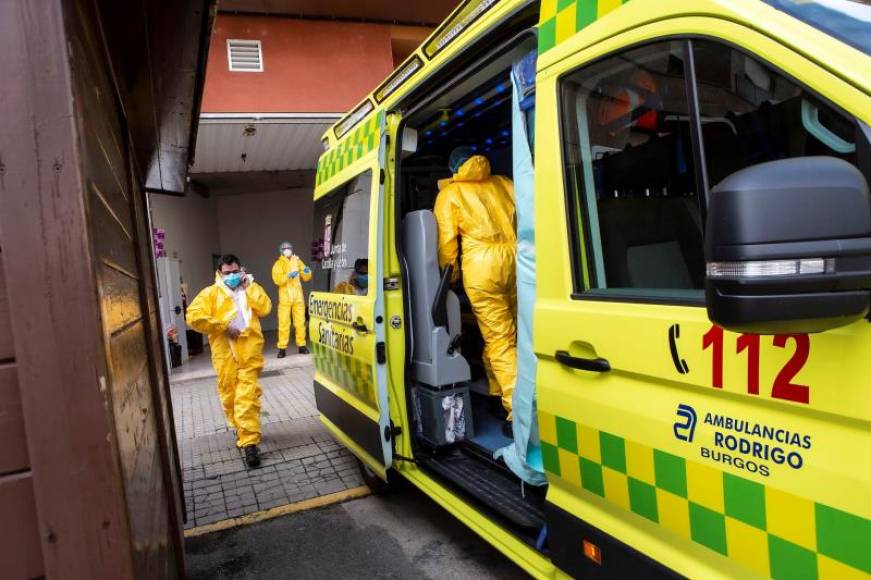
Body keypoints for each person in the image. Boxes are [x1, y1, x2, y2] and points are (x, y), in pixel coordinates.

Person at [434, 147, 517, 422]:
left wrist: (451, 279)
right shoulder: (504, 182)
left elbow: (447, 244)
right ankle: (497, 392)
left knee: (499, 339)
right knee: (517, 333)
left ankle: (518, 413)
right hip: (519, 260)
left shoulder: (450, 194)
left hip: (482, 267)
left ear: (454, 168)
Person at [186, 254, 272, 468]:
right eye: (228, 273)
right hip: (224, 357)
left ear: (241, 270)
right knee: (230, 396)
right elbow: (194, 317)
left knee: (246, 397)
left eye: (235, 271)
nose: (232, 276)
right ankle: (241, 428)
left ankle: (250, 443)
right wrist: (223, 326)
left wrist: (249, 287)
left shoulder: (251, 288)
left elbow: (265, 308)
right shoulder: (211, 294)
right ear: (219, 273)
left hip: (249, 353)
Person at [271, 241, 312, 357]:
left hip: (298, 297)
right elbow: (277, 279)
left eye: (289, 248)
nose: (287, 250)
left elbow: (306, 276)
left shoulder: (297, 261)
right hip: (285, 298)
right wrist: (288, 276)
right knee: (284, 323)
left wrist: (307, 272)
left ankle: (302, 345)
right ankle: (282, 348)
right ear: (281, 251)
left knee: (300, 322)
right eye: (285, 249)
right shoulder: (278, 264)